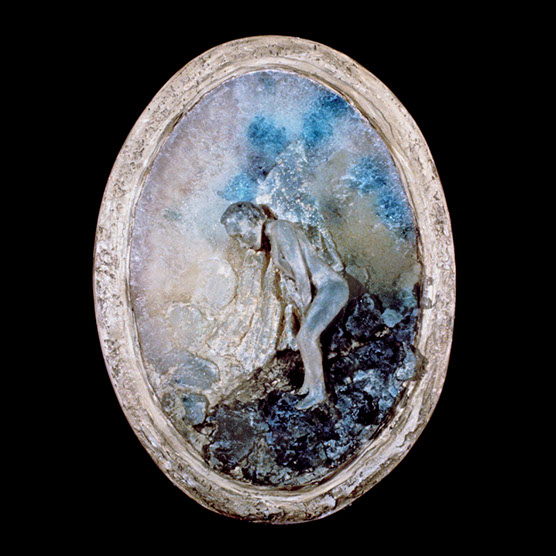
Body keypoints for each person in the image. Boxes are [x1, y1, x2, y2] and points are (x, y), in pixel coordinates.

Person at [220, 201, 349, 409]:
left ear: (254, 221)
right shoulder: (273, 236)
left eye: (241, 236)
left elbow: (301, 274)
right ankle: (309, 384)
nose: (242, 245)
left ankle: (319, 392)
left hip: (332, 288)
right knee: (305, 337)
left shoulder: (280, 229)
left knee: (306, 337)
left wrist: (306, 307)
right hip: (323, 290)